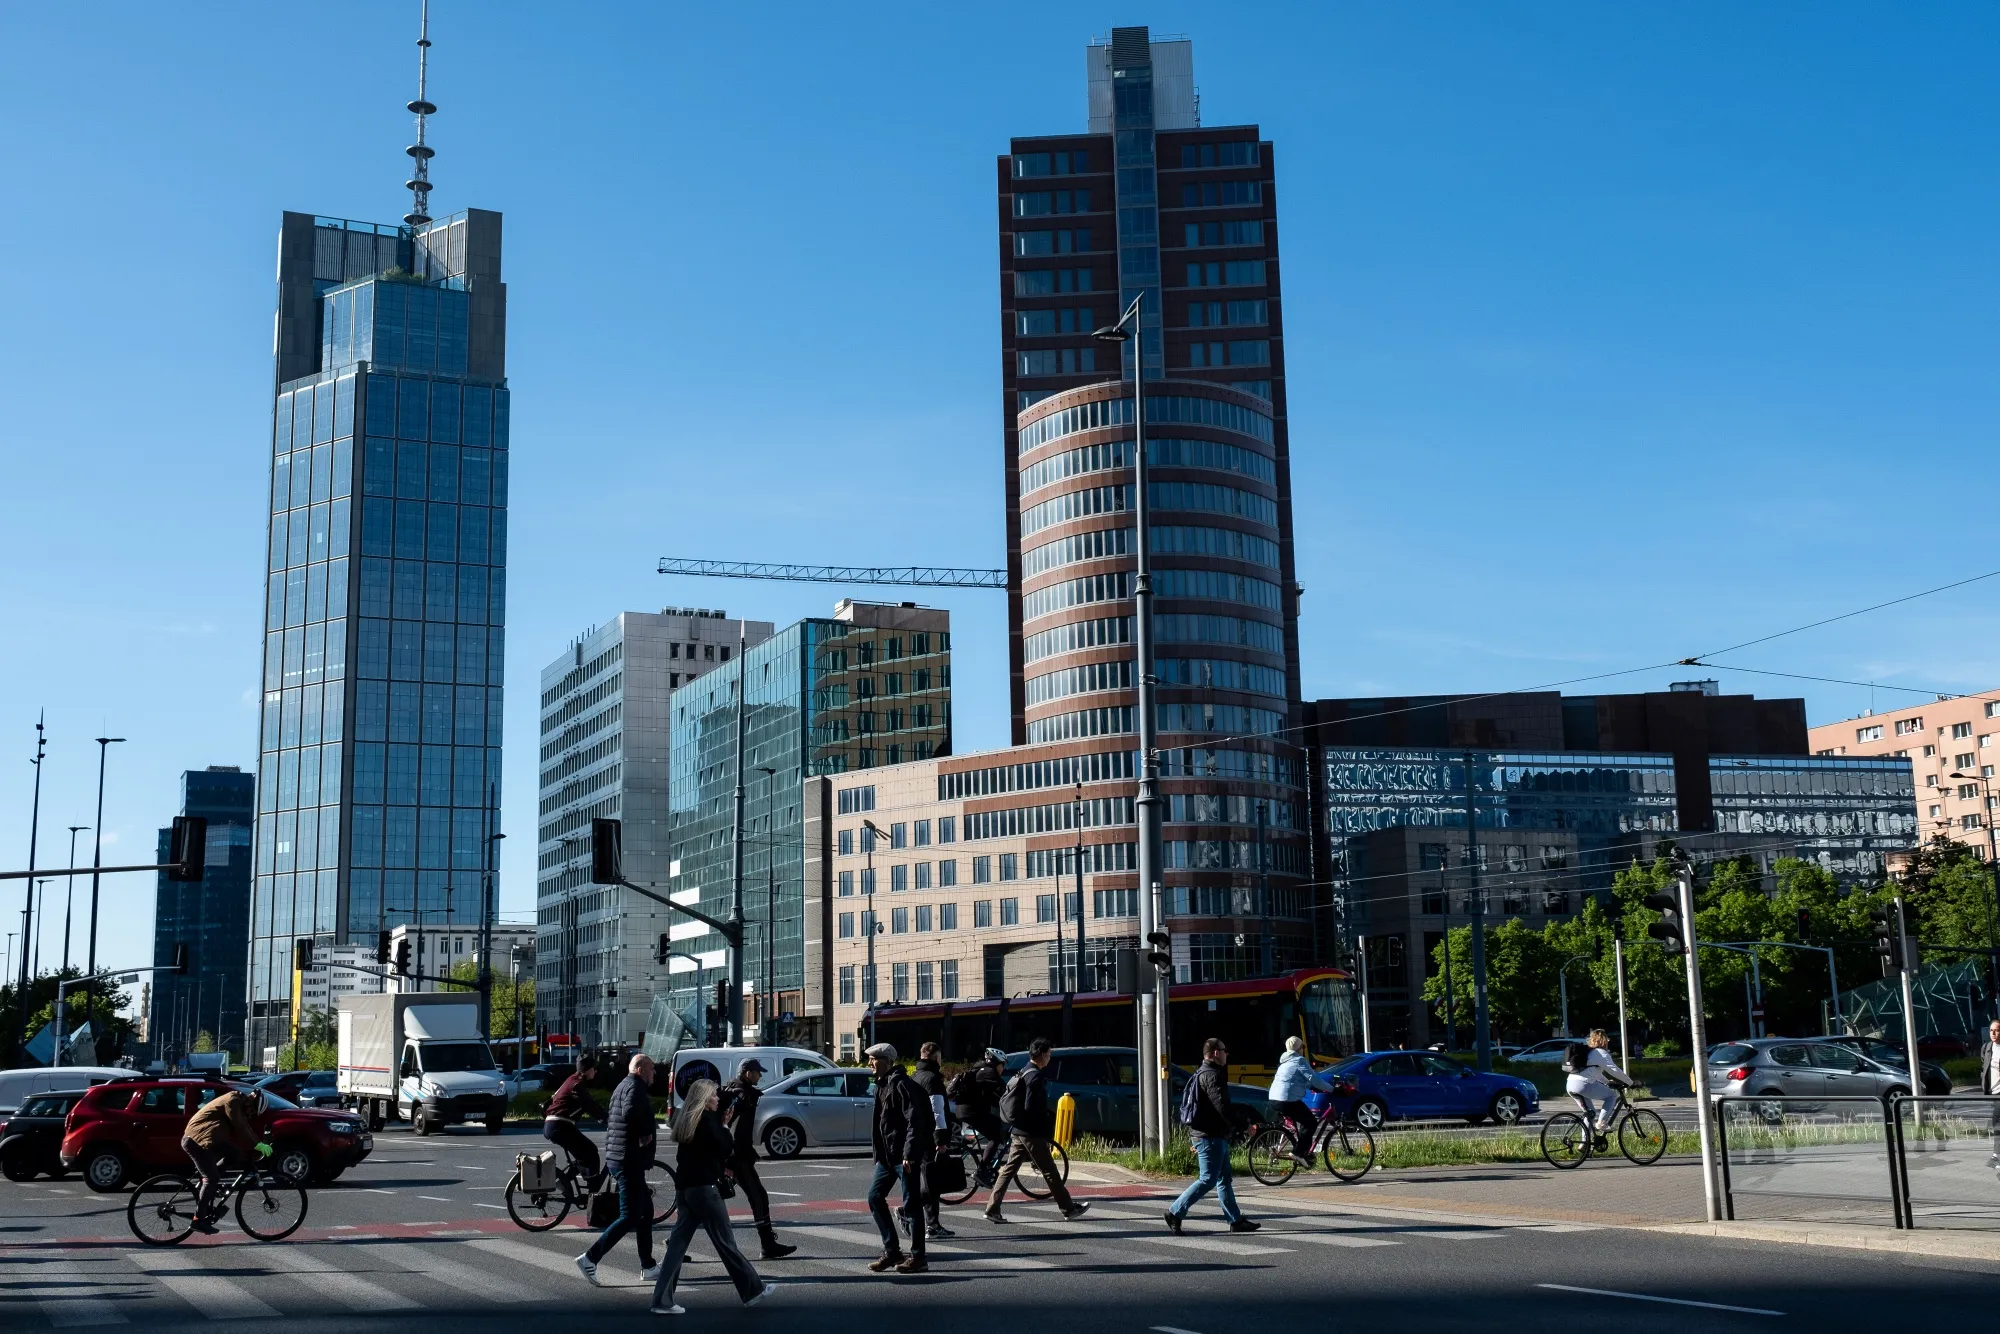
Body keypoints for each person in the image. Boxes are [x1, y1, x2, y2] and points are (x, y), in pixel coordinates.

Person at [648, 1077, 777, 1317]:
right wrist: (725, 1126)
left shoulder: (687, 1118)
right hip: (704, 1189)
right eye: (715, 1095)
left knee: (677, 1245)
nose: (718, 1099)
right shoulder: (707, 1120)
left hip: (685, 1188)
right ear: (705, 1099)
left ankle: (662, 1300)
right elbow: (726, 1147)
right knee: (725, 1241)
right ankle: (754, 1290)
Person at [985, 1037, 1090, 1224]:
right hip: (1030, 1132)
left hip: (1018, 1130)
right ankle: (1068, 1208)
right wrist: (1043, 1125)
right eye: (1048, 1053)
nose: (1050, 1057)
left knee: (1009, 1170)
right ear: (1041, 1054)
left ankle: (992, 1209)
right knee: (1049, 1170)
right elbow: (1031, 1107)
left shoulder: (1024, 1070)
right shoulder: (1035, 1076)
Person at [577, 1053, 660, 1286]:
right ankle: (590, 1258)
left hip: (621, 1157)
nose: (654, 1073)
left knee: (646, 1212)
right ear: (641, 1070)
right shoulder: (635, 1088)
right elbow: (631, 1113)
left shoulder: (623, 1086)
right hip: (628, 1160)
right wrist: (646, 1133)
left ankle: (648, 1266)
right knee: (630, 1215)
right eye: (652, 1069)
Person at [1165, 1037, 1256, 1234]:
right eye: (1224, 1050)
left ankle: (1235, 1220)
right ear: (1216, 1053)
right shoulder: (1212, 1076)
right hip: (1209, 1136)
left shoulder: (1202, 1073)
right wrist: (1245, 1125)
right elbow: (1223, 1108)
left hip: (1213, 1135)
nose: (1226, 1054)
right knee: (1208, 1179)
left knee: (1224, 1178)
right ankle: (1175, 1212)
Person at [717, 1059, 799, 1258]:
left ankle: (675, 1239)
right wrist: (739, 1153)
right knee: (758, 1197)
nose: (760, 1076)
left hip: (732, 1153)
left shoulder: (734, 1090)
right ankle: (768, 1245)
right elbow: (737, 1128)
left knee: (709, 1198)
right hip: (738, 1156)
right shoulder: (743, 1095)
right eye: (758, 1072)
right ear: (748, 1073)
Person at [864, 1042, 934, 1274]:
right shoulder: (881, 1085)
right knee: (874, 1197)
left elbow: (915, 1120)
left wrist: (910, 1153)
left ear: (886, 1061)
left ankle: (918, 1257)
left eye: (874, 1059)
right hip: (888, 1157)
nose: (870, 1063)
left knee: (911, 1204)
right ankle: (892, 1251)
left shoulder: (902, 1084)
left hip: (904, 1156)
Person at [182, 1086, 270, 1233]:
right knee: (211, 1178)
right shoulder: (233, 1101)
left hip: (209, 1139)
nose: (251, 1114)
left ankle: (210, 1185)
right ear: (251, 1101)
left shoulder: (240, 1104)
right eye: (253, 1111)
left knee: (234, 1153)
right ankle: (198, 1220)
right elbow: (239, 1127)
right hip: (196, 1140)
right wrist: (256, 1145)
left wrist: (258, 1144)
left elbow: (246, 1128)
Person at [902, 1042, 956, 1238]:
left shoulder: (915, 1076)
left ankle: (932, 1224)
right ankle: (911, 1213)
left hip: (916, 1135)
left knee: (927, 1180)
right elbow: (937, 1111)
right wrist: (941, 1140)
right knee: (932, 1182)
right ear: (936, 1058)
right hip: (930, 1138)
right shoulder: (933, 1079)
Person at [1266, 1035, 1333, 1165]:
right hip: (1287, 1100)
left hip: (1274, 1098)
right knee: (1310, 1122)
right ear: (1299, 1049)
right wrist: (1332, 1089)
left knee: (1303, 1121)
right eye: (1303, 1047)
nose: (1303, 1049)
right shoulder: (1299, 1060)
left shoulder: (1284, 1062)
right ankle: (1298, 1153)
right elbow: (1315, 1079)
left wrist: (1312, 1087)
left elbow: (1298, 1081)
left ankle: (1302, 1153)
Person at [948, 1047, 1010, 1185]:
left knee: (995, 1126)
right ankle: (981, 1170)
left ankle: (986, 1164)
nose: (1003, 1069)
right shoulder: (989, 1072)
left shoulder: (979, 1070)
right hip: (972, 1112)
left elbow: (992, 1097)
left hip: (965, 1110)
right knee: (996, 1136)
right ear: (997, 1063)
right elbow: (1004, 1091)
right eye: (1003, 1065)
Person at [543, 1055, 602, 1189]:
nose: (596, 1071)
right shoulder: (577, 1085)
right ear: (587, 1069)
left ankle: (564, 1182)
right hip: (560, 1126)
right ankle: (593, 1191)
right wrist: (610, 1120)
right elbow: (591, 1107)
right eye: (594, 1068)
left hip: (555, 1125)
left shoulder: (572, 1080)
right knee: (591, 1152)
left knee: (584, 1155)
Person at [1563, 1029, 1629, 1145]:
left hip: (1570, 1084)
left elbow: (1595, 1073)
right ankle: (1602, 1123)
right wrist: (1631, 1082)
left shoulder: (1588, 1052)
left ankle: (1584, 1144)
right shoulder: (1601, 1053)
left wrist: (1607, 1082)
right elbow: (1614, 1070)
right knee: (1611, 1096)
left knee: (1590, 1113)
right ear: (1604, 1040)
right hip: (1583, 1084)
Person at [1980, 1019, 2000, 1169]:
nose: (1993, 1033)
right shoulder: (1987, 1047)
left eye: (1997, 1030)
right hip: (1993, 1092)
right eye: (1991, 1030)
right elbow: (1984, 1066)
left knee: (1997, 1123)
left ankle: (1996, 1156)